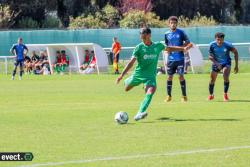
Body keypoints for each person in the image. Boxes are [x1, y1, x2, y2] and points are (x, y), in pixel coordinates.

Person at [116, 27, 187, 121]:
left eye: (145, 37)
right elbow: (131, 63)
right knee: (127, 88)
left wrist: (182, 48)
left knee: (150, 92)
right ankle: (129, 80)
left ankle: (139, 113)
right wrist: (121, 75)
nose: (143, 40)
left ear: (149, 35)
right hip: (138, 75)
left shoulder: (158, 46)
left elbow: (169, 48)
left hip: (150, 77)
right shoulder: (139, 48)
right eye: (142, 38)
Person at [164, 16, 193, 102]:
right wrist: (167, 51)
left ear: (176, 24)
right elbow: (167, 45)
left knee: (180, 76)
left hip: (180, 58)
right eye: (171, 23)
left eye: (174, 23)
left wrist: (182, 48)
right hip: (171, 59)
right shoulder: (166, 34)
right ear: (169, 24)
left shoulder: (181, 32)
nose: (173, 24)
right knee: (169, 77)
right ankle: (169, 96)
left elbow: (188, 42)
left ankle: (184, 96)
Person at [208, 32, 239, 101]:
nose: (219, 41)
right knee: (212, 80)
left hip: (226, 63)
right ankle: (211, 95)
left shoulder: (228, 45)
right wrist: (217, 63)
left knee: (225, 77)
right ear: (215, 39)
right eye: (218, 39)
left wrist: (236, 65)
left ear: (223, 39)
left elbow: (235, 52)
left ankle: (225, 94)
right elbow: (210, 57)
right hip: (216, 63)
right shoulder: (212, 45)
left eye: (221, 40)